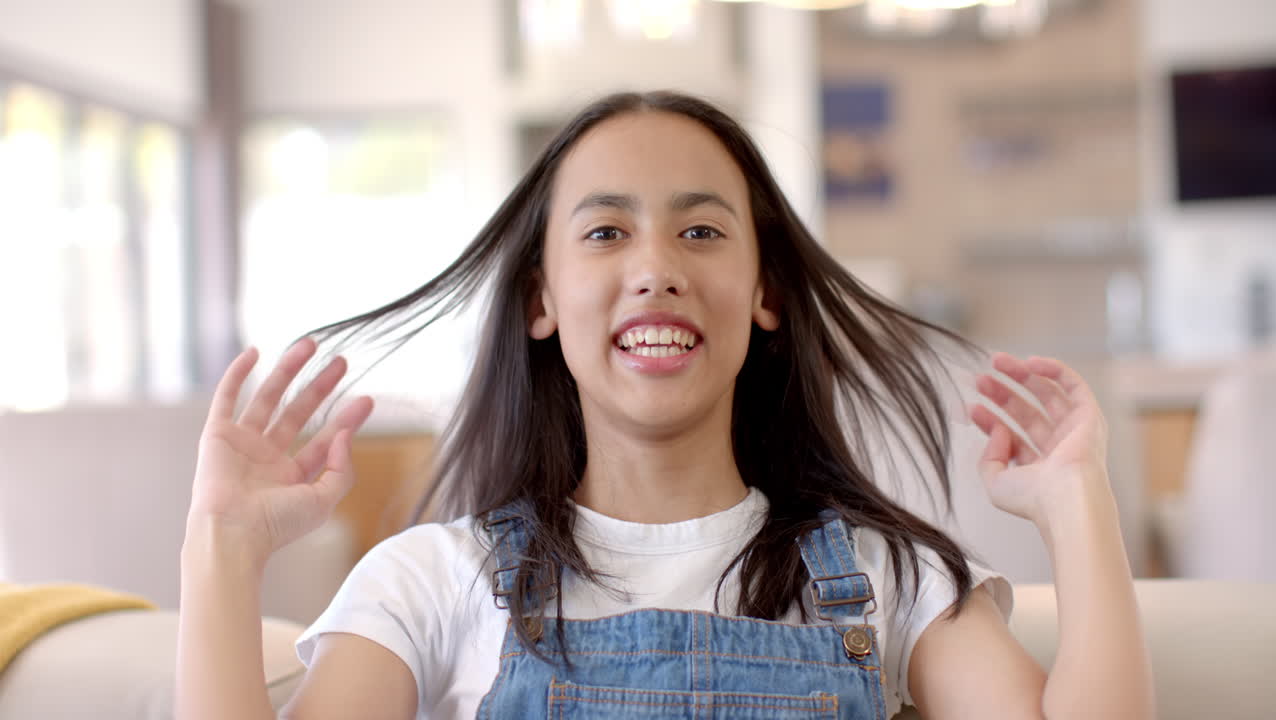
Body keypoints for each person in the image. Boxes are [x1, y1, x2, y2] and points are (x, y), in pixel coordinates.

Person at [176, 91, 1154, 720]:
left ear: (764, 292)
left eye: (698, 229)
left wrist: (1078, 503)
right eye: (605, 232)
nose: (654, 270)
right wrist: (221, 541)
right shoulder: (431, 583)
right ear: (540, 301)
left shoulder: (881, 577)